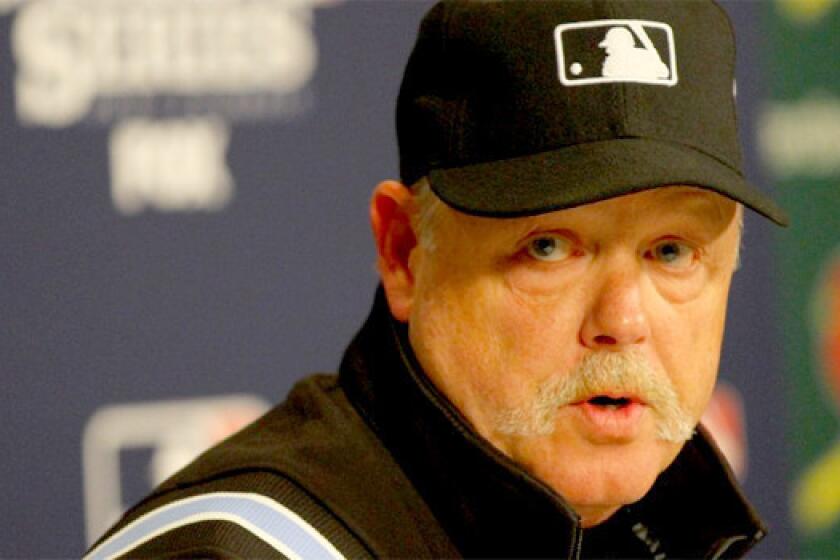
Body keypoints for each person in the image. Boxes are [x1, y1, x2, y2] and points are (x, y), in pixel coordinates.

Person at [85, 0, 789, 558]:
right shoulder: (237, 555)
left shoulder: (651, 534)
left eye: (671, 252)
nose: (623, 319)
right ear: (403, 253)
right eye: (548, 246)